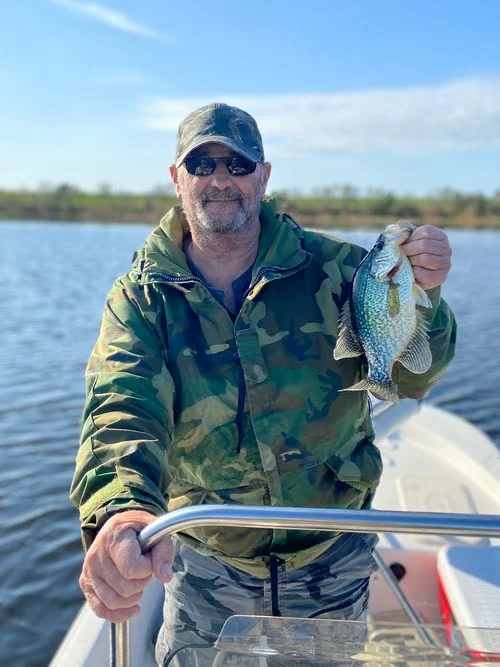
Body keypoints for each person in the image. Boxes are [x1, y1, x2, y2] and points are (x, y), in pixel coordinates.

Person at [70, 103, 456, 665]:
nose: (221, 178)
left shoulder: (345, 269)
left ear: (264, 176)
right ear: (177, 178)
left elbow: (415, 378)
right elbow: (121, 406)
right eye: (202, 163)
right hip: (205, 563)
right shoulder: (140, 299)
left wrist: (425, 294)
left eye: (239, 163)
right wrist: (122, 510)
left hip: (331, 556)